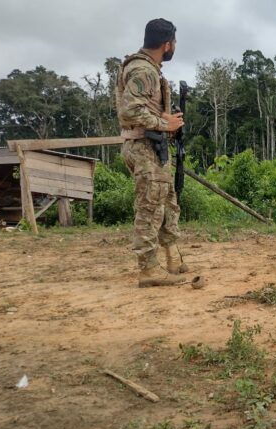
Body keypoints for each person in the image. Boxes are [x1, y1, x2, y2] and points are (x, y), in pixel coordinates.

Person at [115, 18, 188, 287]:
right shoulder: (144, 70)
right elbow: (129, 110)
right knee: (150, 207)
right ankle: (148, 268)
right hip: (144, 146)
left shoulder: (145, 68)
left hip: (151, 145)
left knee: (167, 201)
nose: (174, 48)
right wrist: (163, 123)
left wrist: (168, 119)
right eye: (174, 43)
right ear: (167, 44)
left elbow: (142, 108)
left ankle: (172, 257)